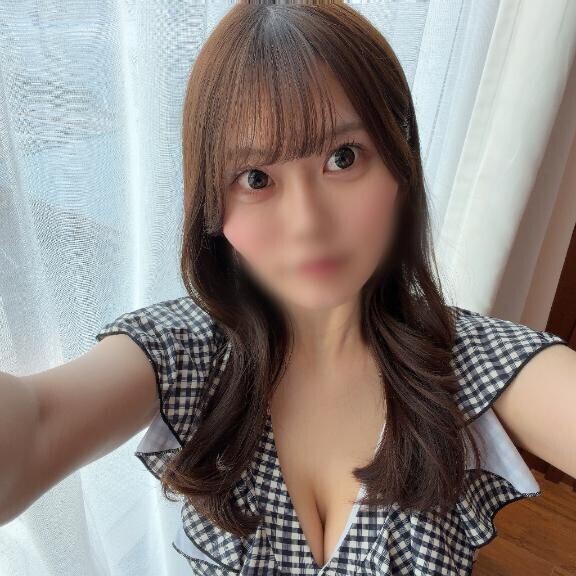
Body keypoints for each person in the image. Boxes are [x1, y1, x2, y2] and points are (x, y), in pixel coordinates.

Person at [1, 2, 575, 575]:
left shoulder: (472, 363)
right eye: (256, 178)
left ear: (399, 165)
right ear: (212, 205)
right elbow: (33, 429)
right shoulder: (185, 353)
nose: (308, 223)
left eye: (342, 158)